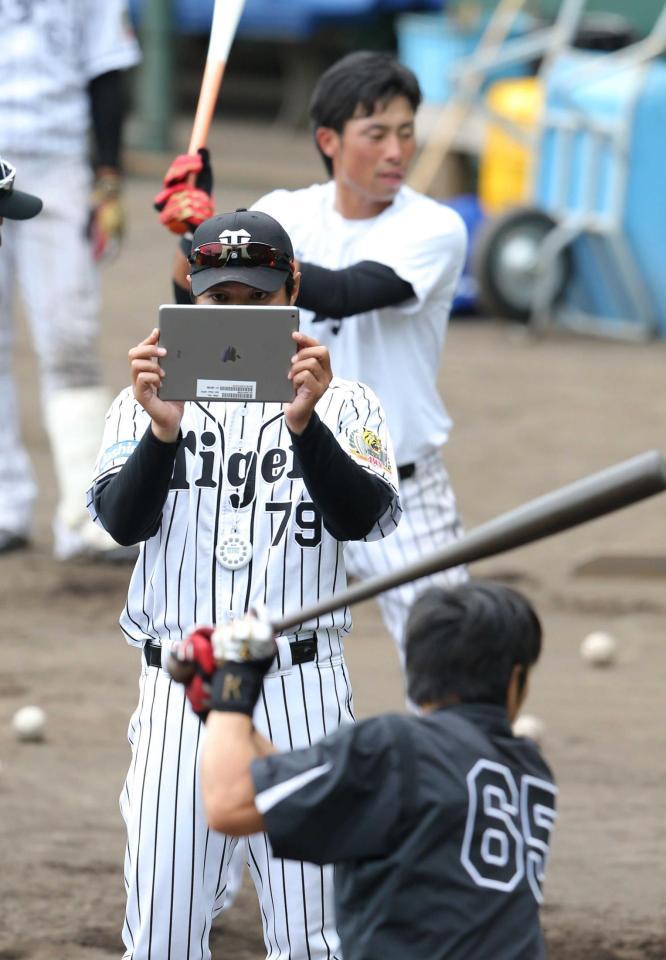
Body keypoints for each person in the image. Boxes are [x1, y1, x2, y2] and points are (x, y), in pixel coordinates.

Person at [86, 208, 402, 960]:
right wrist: (162, 431)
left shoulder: (347, 401)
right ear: (189, 296)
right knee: (160, 939)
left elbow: (361, 520)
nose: (237, 317)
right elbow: (121, 525)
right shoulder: (142, 403)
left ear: (290, 289)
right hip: (178, 685)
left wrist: (307, 426)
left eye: (256, 301)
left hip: (301, 688)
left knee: (315, 940)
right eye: (218, 302)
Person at [159, 51, 469, 663]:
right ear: (329, 139)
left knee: (453, 661)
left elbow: (353, 292)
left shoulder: (436, 227)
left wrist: (218, 242)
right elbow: (197, 302)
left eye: (406, 133)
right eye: (376, 134)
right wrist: (188, 236)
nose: (396, 151)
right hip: (282, 481)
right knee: (246, 662)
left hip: (396, 481)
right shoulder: (289, 212)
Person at [171, 579, 557, 960]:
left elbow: (227, 804)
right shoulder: (528, 768)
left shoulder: (396, 748)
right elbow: (286, 786)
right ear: (514, 681)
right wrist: (221, 710)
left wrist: (238, 680)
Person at [0, 1, 140, 558]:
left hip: (57, 162)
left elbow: (107, 71)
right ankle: (4, 506)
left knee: (69, 339)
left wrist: (108, 177)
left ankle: (85, 517)